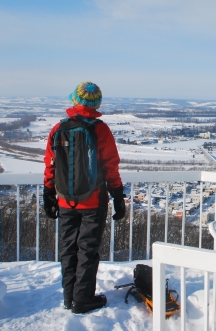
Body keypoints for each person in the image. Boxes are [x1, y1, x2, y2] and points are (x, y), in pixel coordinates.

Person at [43, 81, 126, 314]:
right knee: (87, 250)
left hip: (65, 200)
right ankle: (83, 299)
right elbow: (111, 166)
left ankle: (69, 297)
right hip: (93, 201)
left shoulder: (59, 128)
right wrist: (118, 195)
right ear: (96, 103)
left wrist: (48, 193)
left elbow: (50, 165)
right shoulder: (100, 129)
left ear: (75, 101)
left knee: (68, 249)